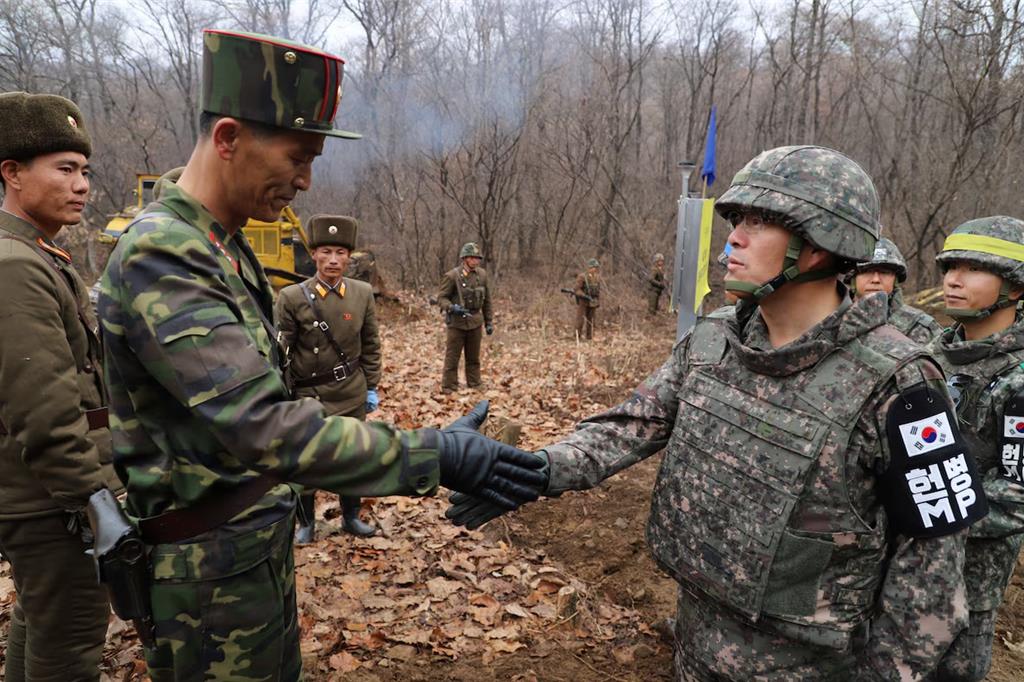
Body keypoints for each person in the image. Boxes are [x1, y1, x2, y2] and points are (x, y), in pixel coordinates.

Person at [97, 30, 546, 680]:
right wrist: (433, 454)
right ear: (229, 139)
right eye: (299, 157)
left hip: (243, 552)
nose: (307, 181)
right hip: (205, 579)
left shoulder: (217, 244)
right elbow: (263, 426)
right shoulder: (165, 256)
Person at [450, 145, 984, 680]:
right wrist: (536, 469)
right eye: (737, 220)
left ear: (822, 245)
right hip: (694, 644)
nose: (734, 237)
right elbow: (629, 426)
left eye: (761, 223)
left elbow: (931, 578)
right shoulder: (714, 339)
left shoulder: (901, 384)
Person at [0, 92, 122, 682]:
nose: (82, 186)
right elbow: (45, 412)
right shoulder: (16, 265)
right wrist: (95, 502)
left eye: (85, 171)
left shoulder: (40, 255)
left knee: (39, 627)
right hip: (50, 502)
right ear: (13, 173)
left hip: (45, 497)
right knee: (68, 647)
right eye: (65, 169)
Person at [929, 216, 1024, 681]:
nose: (953, 279)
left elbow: (1017, 494)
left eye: (973, 269)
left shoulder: (1019, 378)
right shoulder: (928, 354)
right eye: (950, 267)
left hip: (969, 579)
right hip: (900, 567)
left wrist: (931, 515)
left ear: (1017, 289)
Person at [276, 215, 380, 541]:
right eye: (326, 252)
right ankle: (305, 523)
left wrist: (372, 386)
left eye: (340, 253)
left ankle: (350, 517)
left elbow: (371, 344)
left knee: (352, 457)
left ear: (349, 257)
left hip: (350, 390)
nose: (333, 260)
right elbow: (281, 350)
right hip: (309, 395)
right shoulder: (292, 297)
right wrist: (282, 393)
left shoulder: (362, 294)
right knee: (307, 460)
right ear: (314, 254)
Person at [852, 237, 942, 344]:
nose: (876, 279)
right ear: (852, 278)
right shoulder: (833, 322)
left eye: (884, 272)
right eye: (866, 271)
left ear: (895, 280)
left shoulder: (922, 329)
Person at [438, 241, 493, 392]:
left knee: (473, 357)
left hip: (475, 321)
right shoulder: (452, 276)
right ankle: (449, 386)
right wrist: (451, 307)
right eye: (473, 257)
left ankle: (475, 383)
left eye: (478, 258)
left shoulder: (481, 275)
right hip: (457, 323)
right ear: (465, 259)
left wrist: (489, 321)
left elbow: (487, 299)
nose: (476, 260)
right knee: (452, 358)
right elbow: (441, 298)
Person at [574, 258, 601, 339]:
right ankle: (577, 336)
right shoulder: (582, 277)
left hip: (593, 300)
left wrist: (598, 301)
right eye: (593, 267)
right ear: (589, 268)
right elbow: (576, 289)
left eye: (596, 268)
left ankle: (589, 337)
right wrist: (583, 295)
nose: (595, 269)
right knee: (580, 319)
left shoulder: (597, 277)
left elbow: (598, 290)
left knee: (591, 320)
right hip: (583, 300)